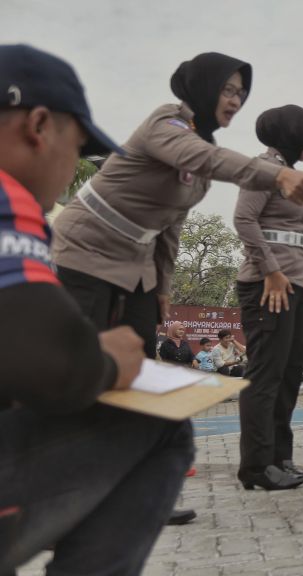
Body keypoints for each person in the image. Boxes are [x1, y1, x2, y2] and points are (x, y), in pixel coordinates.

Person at [51, 52, 303, 524]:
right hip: (85, 254)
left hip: (135, 268)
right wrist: (276, 173)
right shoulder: (167, 123)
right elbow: (206, 158)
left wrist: (162, 287)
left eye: (241, 92)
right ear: (200, 87)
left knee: (136, 379)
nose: (235, 100)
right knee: (83, 377)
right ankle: (63, 499)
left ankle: (138, 490)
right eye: (228, 89)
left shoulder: (199, 159)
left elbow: (170, 224)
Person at [0, 43, 193, 573]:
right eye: (78, 148)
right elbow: (52, 366)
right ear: (39, 126)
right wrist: (107, 359)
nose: (74, 170)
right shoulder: (7, 196)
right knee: (162, 424)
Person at [234, 104, 303, 489]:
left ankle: (280, 457)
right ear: (291, 133)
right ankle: (256, 467)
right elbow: (243, 220)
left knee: (288, 375)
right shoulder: (263, 170)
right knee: (266, 375)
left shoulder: (290, 175)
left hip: (297, 285)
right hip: (267, 284)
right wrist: (270, 269)